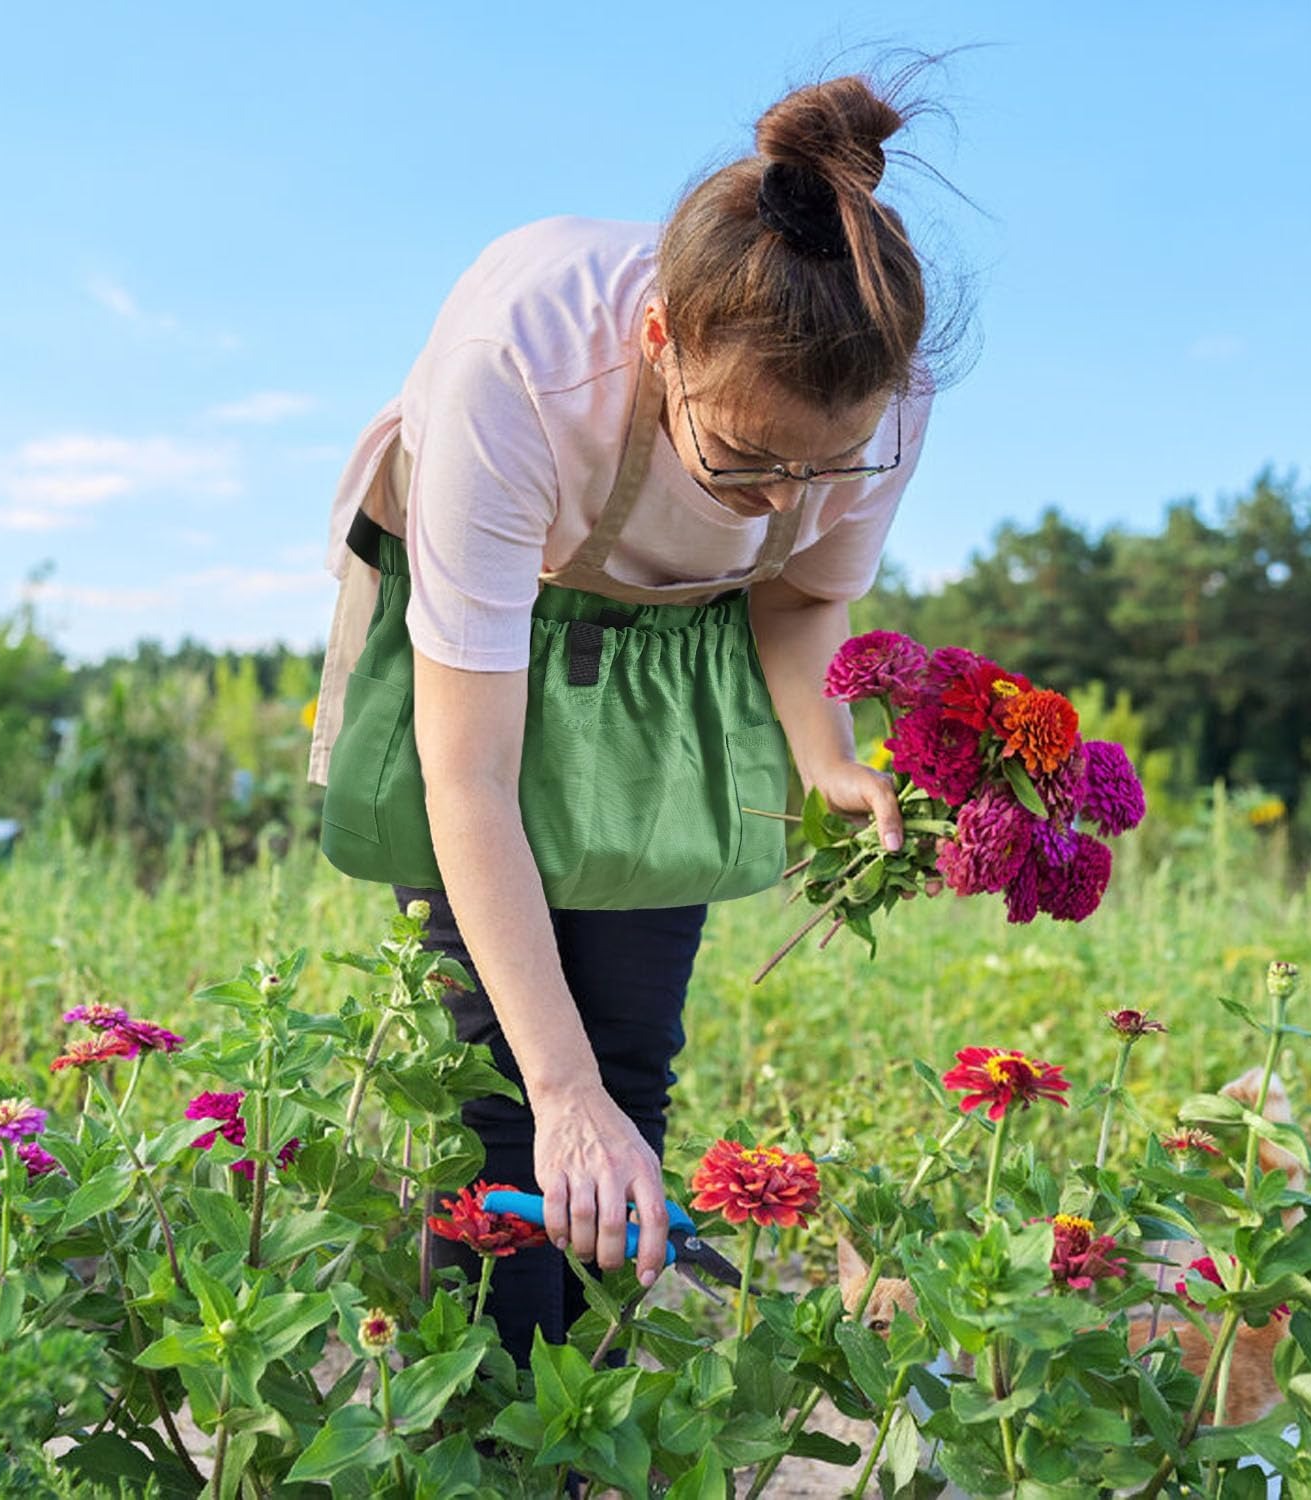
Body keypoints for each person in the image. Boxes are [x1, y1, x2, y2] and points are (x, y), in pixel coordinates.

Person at [309, 70, 955, 1368]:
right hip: (498, 626)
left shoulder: (879, 396)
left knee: (630, 1063)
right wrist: (560, 1094)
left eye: (822, 468)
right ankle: (492, 1435)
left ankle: (594, 1414)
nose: (783, 501)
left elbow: (796, 595)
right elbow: (469, 777)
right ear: (661, 343)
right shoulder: (523, 368)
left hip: (676, 644)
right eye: (746, 461)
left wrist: (822, 756)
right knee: (514, 1085)